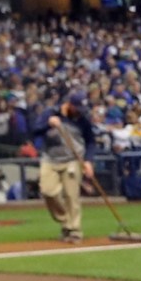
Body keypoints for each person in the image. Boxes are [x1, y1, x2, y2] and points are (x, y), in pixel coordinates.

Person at [39, 104, 94, 243]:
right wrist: (48, 124)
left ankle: (74, 230)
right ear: (69, 105)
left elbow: (91, 141)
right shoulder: (50, 112)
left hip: (73, 159)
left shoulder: (82, 119)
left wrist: (88, 161)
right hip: (50, 159)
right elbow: (34, 130)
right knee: (47, 190)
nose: (79, 112)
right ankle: (66, 220)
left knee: (71, 195)